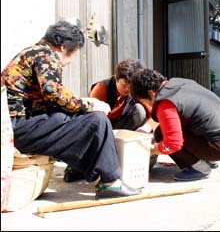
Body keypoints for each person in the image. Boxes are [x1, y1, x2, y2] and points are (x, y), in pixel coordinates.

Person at [1, 20, 140, 199]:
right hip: (16, 128)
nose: (73, 60)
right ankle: (110, 182)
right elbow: (53, 92)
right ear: (64, 46)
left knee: (70, 118)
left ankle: (84, 169)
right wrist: (89, 105)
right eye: (75, 53)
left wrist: (80, 105)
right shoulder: (46, 55)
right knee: (97, 120)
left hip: (15, 125)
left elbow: (52, 97)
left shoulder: (32, 53)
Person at [130, 69, 220, 181]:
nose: (146, 104)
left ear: (151, 93)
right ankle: (208, 160)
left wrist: (152, 150)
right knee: (164, 130)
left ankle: (200, 168)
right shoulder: (179, 83)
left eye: (143, 100)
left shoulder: (165, 104)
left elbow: (173, 144)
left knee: (161, 135)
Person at [64, 59, 158, 182]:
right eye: (124, 85)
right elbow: (92, 120)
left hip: (123, 127)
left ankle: (127, 161)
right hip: (102, 126)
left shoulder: (136, 90)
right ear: (116, 78)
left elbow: (155, 116)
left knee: (140, 111)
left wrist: (144, 129)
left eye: (131, 87)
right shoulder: (102, 88)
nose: (128, 90)